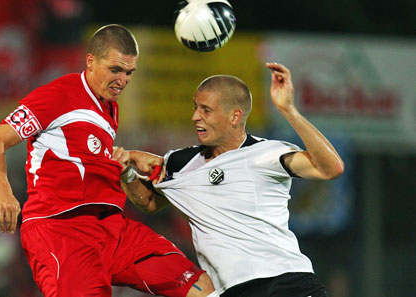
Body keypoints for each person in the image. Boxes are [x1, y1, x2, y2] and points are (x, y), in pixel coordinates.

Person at [0, 24, 218, 297]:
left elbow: (85, 158)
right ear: (90, 61)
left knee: (199, 286)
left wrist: (126, 164)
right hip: (63, 230)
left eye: (129, 72)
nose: (123, 80)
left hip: (112, 228)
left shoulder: (109, 108)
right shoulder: (58, 95)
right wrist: (3, 191)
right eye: (115, 70)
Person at [112, 62, 345, 297]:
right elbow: (149, 202)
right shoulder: (179, 163)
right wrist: (128, 174)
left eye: (206, 110)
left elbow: (330, 168)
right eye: (195, 108)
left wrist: (288, 110)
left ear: (235, 117)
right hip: (232, 291)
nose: (195, 117)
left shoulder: (266, 154)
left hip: (287, 283)